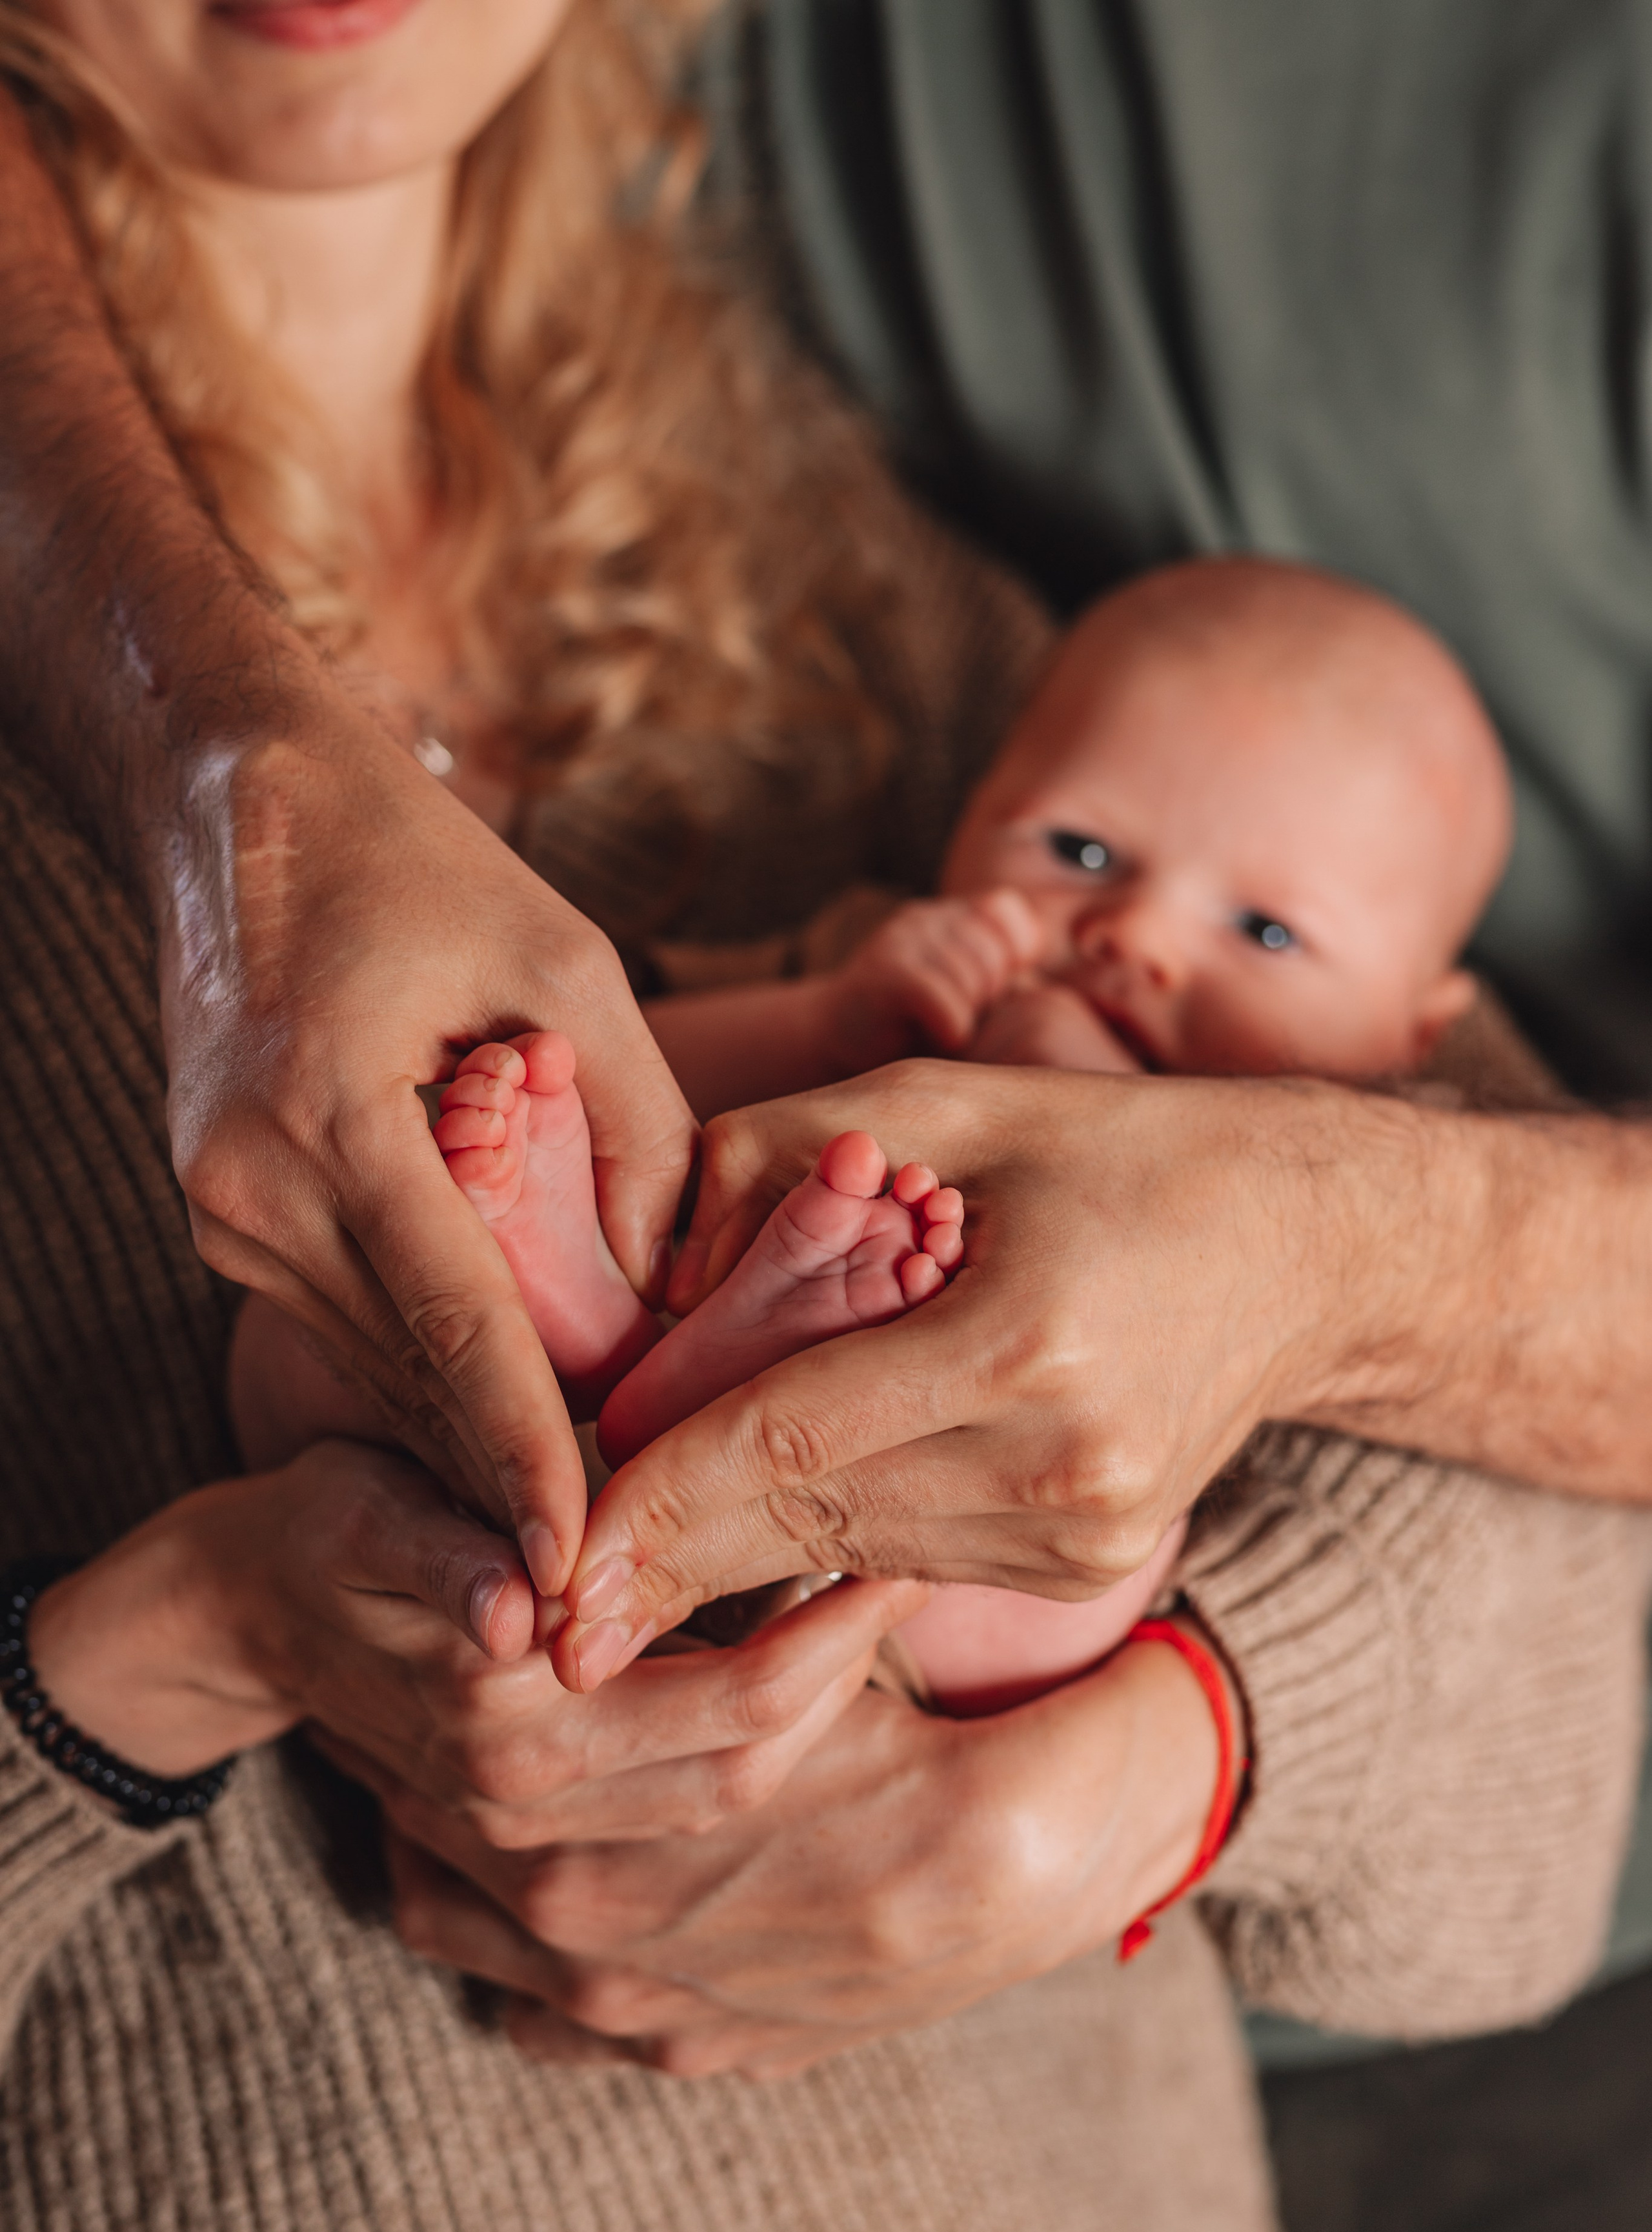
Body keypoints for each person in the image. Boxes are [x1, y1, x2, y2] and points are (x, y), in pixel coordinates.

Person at [0, 8, 1644, 2232]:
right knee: (356, 1364)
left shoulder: (831, 550)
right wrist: (185, 1635)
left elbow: (1554, 1565)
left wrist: (1142, 1773)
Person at [236, 551, 1513, 1717]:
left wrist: (1079, 1085)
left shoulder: (1371, 1175)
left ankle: (708, 1361)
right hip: (532, 1481)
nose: (1134, 936)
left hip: (919, 1609)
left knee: (1099, 1552)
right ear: (976, 805)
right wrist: (827, 1017)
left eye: (1267, 934)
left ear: (1415, 1030)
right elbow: (635, 1069)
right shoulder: (881, 957)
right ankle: (611, 1329)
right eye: (1078, 847)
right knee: (302, 1331)